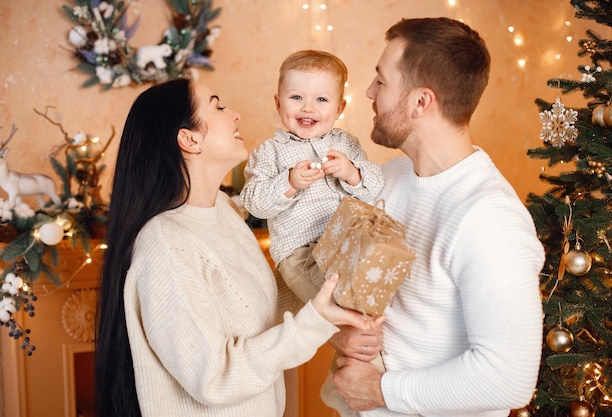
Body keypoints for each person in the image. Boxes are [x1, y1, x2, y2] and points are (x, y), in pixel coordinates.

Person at [94, 78, 372, 417]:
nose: (236, 114)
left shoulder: (223, 210)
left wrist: (327, 267)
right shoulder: (164, 243)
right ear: (190, 139)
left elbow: (262, 308)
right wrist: (314, 322)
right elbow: (214, 377)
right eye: (218, 105)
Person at [329, 17, 546, 417]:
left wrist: (380, 389)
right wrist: (346, 334)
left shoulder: (489, 219)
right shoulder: (389, 178)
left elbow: (509, 378)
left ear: (421, 102)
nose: (368, 92)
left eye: (382, 81)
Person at [240, 50, 384, 302]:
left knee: (381, 289)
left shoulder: (347, 144)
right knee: (338, 304)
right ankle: (352, 333)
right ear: (278, 103)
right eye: (296, 97)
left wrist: (352, 173)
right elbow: (254, 203)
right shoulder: (269, 151)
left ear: (339, 108)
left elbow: (377, 187)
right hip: (302, 251)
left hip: (351, 241)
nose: (308, 107)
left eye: (321, 99)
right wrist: (289, 183)